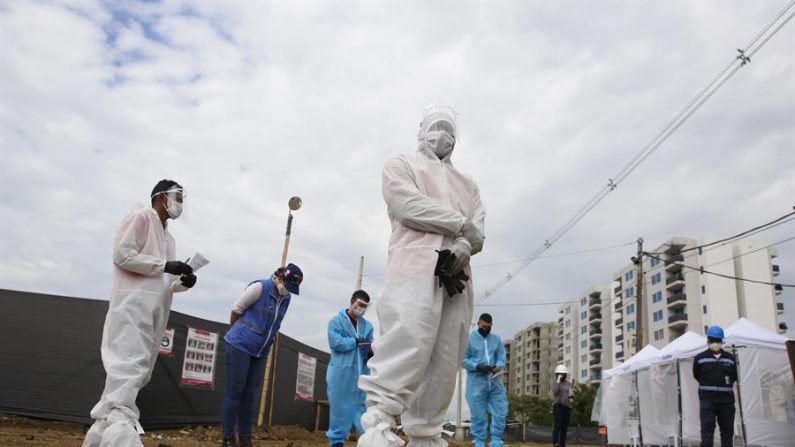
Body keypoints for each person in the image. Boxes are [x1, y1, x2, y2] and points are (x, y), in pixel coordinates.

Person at [358, 106, 486, 447]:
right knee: (407, 341)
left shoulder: (468, 183)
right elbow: (407, 205)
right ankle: (378, 426)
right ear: (421, 130)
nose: (442, 133)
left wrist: (463, 245)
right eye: (436, 126)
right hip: (413, 268)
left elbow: (479, 230)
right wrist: (460, 226)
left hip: (457, 277)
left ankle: (426, 435)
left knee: (446, 358)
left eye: (448, 128)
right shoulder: (401, 165)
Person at [83, 180, 198, 447]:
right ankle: (122, 436)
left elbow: (162, 279)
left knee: (138, 372)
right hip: (132, 307)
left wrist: (182, 282)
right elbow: (122, 255)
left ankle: (101, 435)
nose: (180, 203)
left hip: (154, 312)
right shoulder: (140, 218)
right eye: (176, 197)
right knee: (127, 367)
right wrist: (165, 264)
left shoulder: (169, 238)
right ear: (161, 198)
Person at [220, 263, 303, 447]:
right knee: (234, 392)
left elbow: (275, 324)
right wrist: (240, 334)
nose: (288, 291)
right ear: (280, 278)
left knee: (249, 395)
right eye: (287, 285)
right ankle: (227, 438)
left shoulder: (286, 298)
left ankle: (245, 438)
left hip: (261, 352)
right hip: (239, 345)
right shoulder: (259, 287)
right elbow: (236, 310)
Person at [326, 290, 375, 447]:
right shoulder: (336, 321)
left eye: (365, 307)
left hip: (361, 374)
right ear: (351, 302)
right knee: (339, 408)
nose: (361, 309)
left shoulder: (367, 326)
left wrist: (369, 349)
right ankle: (337, 441)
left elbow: (369, 350)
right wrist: (355, 341)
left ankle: (366, 440)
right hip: (340, 374)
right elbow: (336, 343)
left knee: (361, 407)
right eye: (359, 305)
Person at [461, 313, 508, 447]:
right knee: (478, 415)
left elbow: (501, 357)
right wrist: (477, 366)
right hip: (476, 384)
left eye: (488, 327)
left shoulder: (496, 340)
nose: (486, 329)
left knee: (500, 412)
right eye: (483, 326)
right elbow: (463, 360)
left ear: (491, 325)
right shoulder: (469, 339)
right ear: (478, 324)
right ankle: (479, 441)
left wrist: (497, 367)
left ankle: (496, 440)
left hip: (495, 383)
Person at [693, 325, 737, 447]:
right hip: (708, 401)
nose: (715, 343)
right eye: (712, 340)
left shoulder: (730, 358)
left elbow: (734, 376)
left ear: (722, 341)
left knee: (727, 431)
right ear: (708, 340)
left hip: (726, 401)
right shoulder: (700, 358)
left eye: (717, 341)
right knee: (707, 431)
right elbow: (697, 375)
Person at [551, 364, 573, 447]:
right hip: (558, 406)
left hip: (567, 407)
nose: (562, 375)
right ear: (557, 374)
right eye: (560, 373)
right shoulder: (555, 383)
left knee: (564, 427)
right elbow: (555, 391)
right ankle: (555, 443)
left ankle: (562, 444)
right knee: (558, 424)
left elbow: (571, 394)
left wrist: (572, 396)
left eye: (563, 373)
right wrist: (558, 381)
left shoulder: (569, 384)